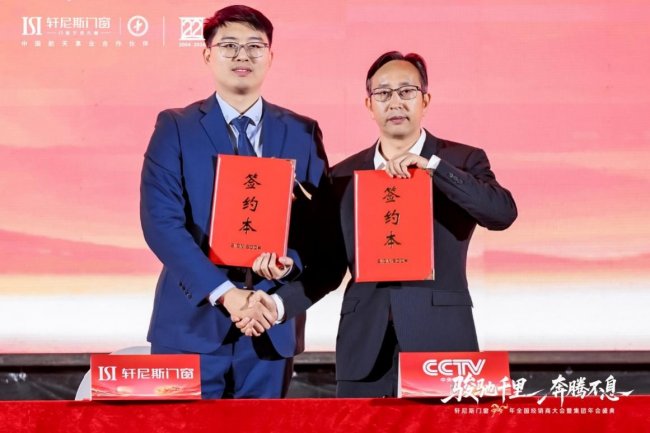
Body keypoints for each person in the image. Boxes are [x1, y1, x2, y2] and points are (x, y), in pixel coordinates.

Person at [240, 51, 518, 397]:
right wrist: (278, 305)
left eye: (406, 91)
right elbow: (327, 269)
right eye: (383, 93)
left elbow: (501, 214)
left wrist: (433, 167)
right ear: (369, 105)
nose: (395, 102)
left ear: (425, 100)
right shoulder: (342, 177)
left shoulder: (460, 160)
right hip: (364, 348)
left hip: (442, 344)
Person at [140, 5, 331, 398]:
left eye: (254, 46)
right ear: (207, 55)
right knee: (181, 428)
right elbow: (162, 223)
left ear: (270, 56)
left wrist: (288, 265)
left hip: (269, 325)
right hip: (191, 323)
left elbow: (319, 229)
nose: (242, 55)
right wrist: (226, 293)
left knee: (262, 426)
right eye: (229, 45)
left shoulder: (302, 132)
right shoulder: (176, 126)